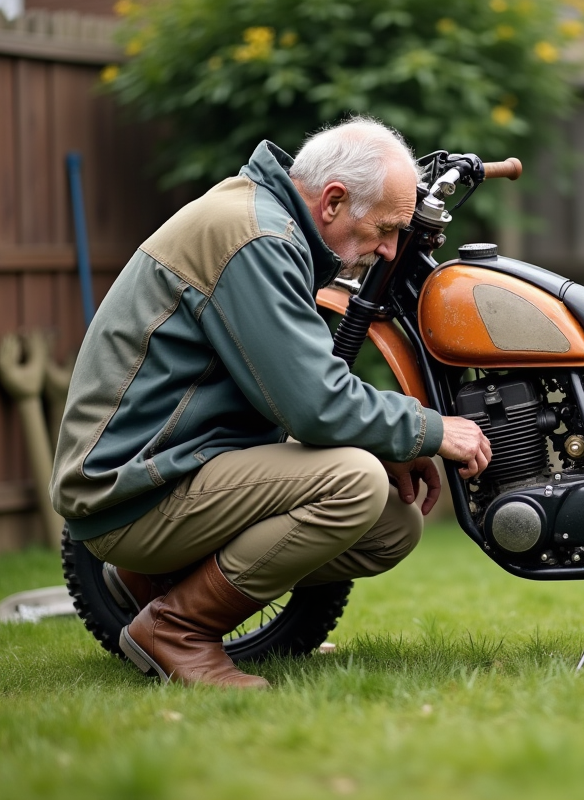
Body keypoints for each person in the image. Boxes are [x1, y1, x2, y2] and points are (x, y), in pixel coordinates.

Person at [50, 118, 491, 689]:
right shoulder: (255, 238)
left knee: (392, 522)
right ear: (333, 201)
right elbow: (314, 404)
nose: (388, 249)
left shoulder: (266, 222)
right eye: (384, 229)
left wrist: (389, 439)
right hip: (129, 485)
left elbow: (293, 394)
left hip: (181, 462)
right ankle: (176, 628)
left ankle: (152, 585)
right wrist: (429, 430)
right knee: (352, 481)